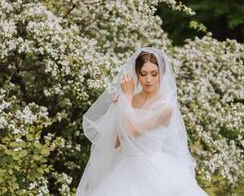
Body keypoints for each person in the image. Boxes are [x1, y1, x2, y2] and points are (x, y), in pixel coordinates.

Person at [76, 47, 208, 196]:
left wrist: (125, 99)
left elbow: (130, 131)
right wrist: (118, 107)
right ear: (137, 73)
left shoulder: (165, 107)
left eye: (154, 74)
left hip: (154, 172)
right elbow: (117, 142)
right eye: (143, 73)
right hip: (124, 169)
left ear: (162, 74)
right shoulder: (131, 98)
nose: (148, 79)